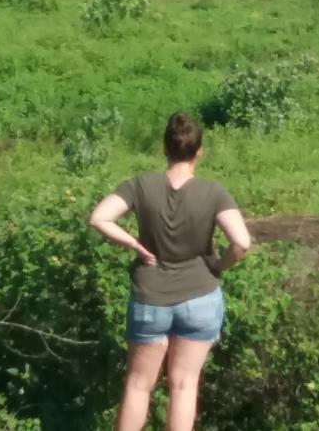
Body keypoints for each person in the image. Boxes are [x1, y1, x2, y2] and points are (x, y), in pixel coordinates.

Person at [89, 112, 251, 431]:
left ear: (165, 148)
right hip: (200, 297)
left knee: (138, 385)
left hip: (151, 297)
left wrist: (135, 245)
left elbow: (99, 218)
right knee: (184, 386)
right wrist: (219, 265)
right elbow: (242, 243)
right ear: (199, 151)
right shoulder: (214, 192)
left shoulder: (139, 185)